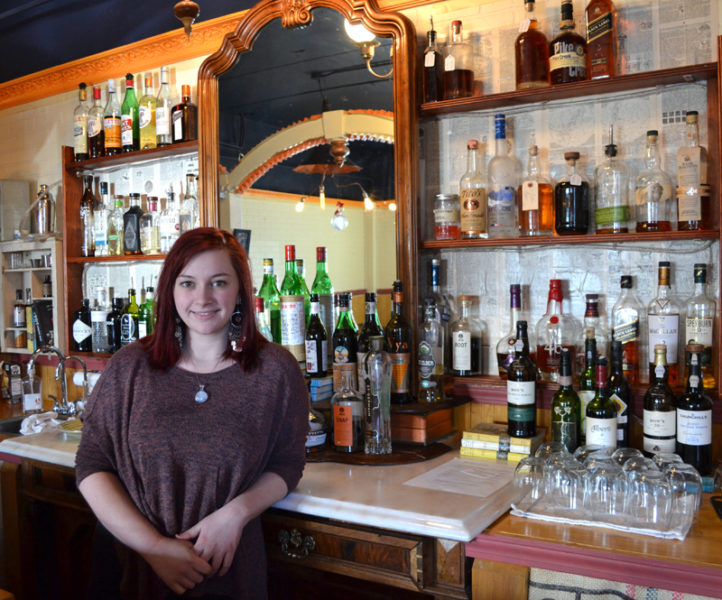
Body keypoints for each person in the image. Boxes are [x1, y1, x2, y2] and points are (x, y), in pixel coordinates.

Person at [76, 227, 309, 599]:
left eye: (218, 282)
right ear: (170, 290)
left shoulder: (275, 370)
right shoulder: (130, 367)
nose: (202, 298)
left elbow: (287, 464)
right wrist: (154, 547)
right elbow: (92, 464)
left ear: (240, 291)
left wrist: (234, 516)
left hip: (230, 573)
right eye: (187, 283)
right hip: (137, 571)